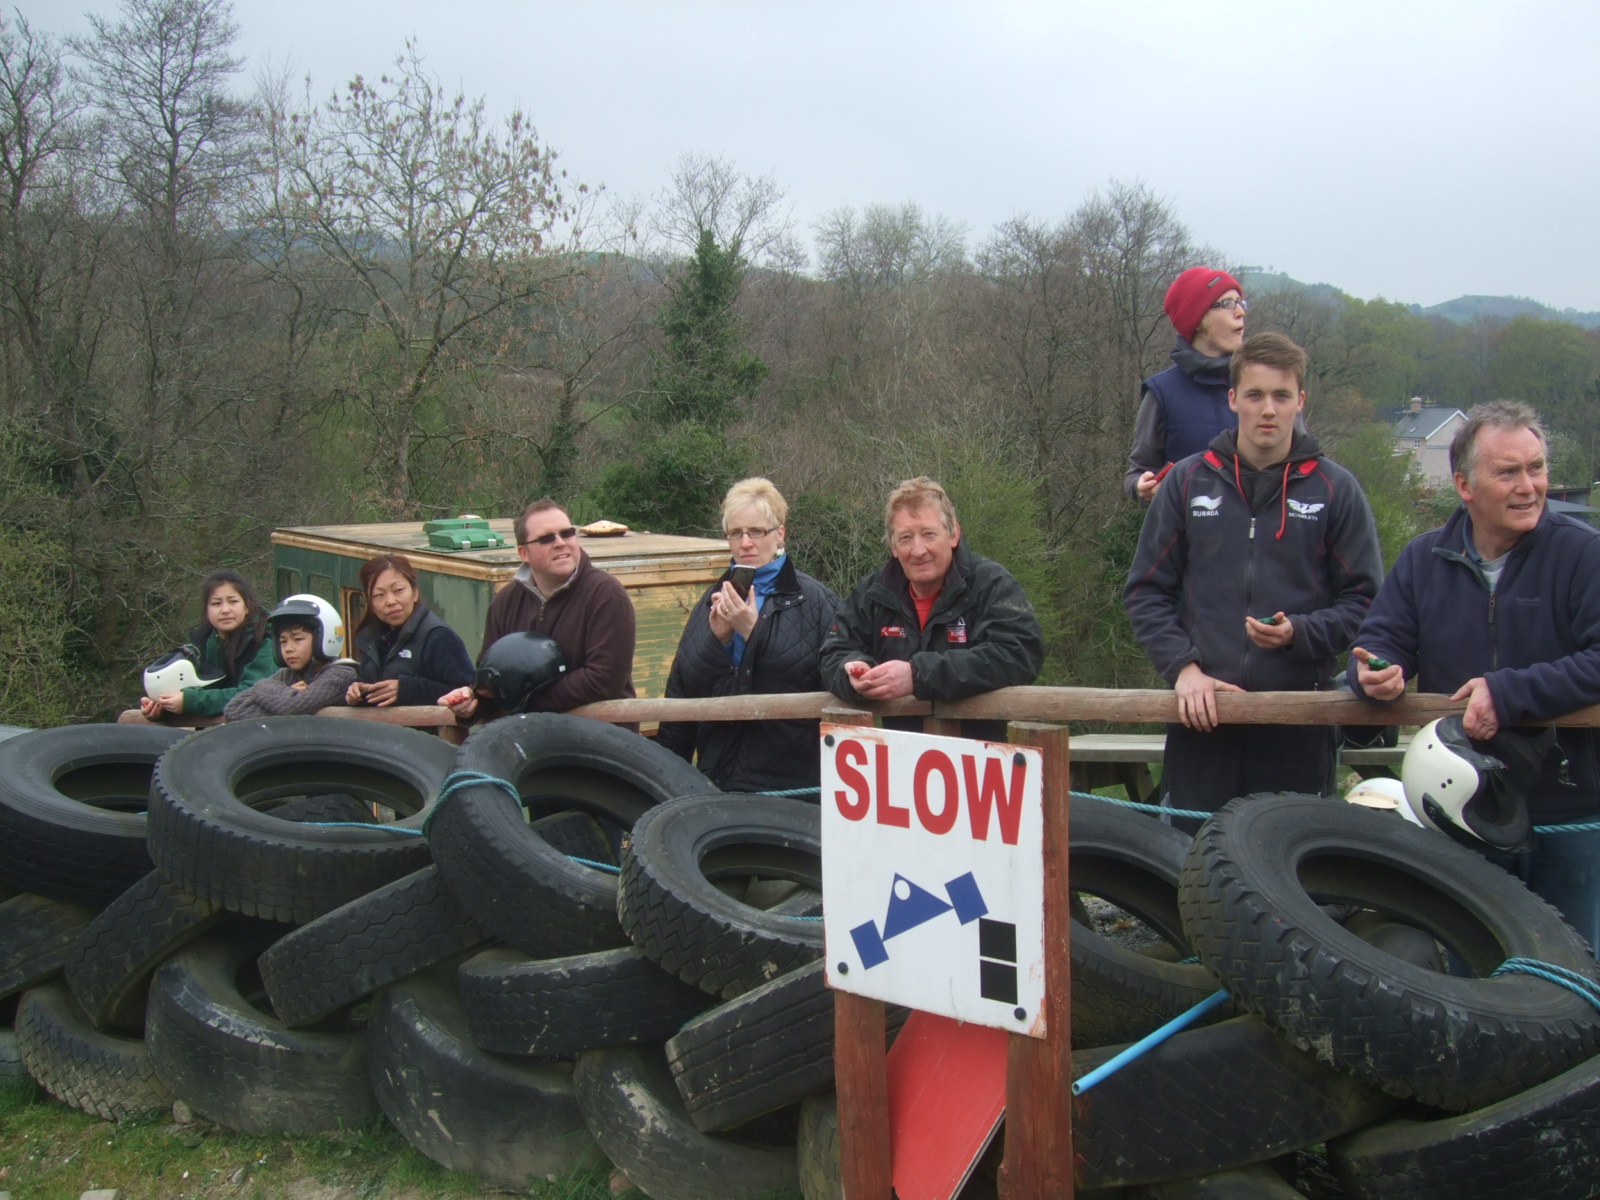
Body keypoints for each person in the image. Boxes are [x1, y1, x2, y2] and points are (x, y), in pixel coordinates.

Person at [1348, 400, 1600, 948]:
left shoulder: (1583, 556)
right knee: (1477, 972)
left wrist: (1507, 693)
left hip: (1571, 806)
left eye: (1536, 468)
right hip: (1463, 810)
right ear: (1464, 485)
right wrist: (1375, 671)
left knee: (1575, 979)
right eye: (1508, 472)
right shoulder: (1422, 559)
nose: (1529, 486)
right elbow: (1380, 640)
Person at [1124, 332, 1383, 826]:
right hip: (1202, 722)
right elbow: (1145, 591)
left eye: (1282, 396)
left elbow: (1367, 602)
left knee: (1288, 880)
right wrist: (1184, 669)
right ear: (1233, 399)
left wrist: (1300, 634)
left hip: (1298, 724)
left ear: (1300, 402)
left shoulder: (1337, 489)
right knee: (1192, 872)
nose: (1268, 410)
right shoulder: (1187, 481)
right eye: (1255, 395)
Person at [819, 476, 1045, 739]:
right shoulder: (873, 593)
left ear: (953, 534)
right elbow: (832, 652)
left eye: (928, 534)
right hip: (902, 761)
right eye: (905, 538)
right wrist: (856, 674)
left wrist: (917, 675)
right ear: (893, 547)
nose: (918, 550)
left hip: (983, 762)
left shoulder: (991, 585)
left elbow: (1018, 654)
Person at [658, 478, 840, 792]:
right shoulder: (710, 600)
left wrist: (752, 632)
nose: (745, 543)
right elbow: (683, 689)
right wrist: (720, 641)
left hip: (794, 789)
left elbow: (832, 688)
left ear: (780, 534)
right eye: (736, 533)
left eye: (757, 531)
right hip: (717, 783)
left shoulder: (819, 602)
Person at [442, 498, 636, 722]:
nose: (560, 542)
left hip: (599, 743)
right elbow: (493, 682)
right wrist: (471, 702)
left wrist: (523, 701)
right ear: (524, 553)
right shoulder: (505, 602)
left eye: (567, 533)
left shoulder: (606, 594)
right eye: (546, 538)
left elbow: (603, 681)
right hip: (529, 743)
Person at [1124, 266, 1248, 503]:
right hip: (1188, 536)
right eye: (1228, 304)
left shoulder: (1263, 384)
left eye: (1241, 302)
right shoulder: (1161, 392)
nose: (1241, 312)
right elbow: (1138, 472)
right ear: (1198, 319)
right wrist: (1142, 487)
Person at [139, 569, 277, 718]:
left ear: (247, 607)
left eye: (233, 601)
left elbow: (252, 693)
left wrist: (190, 701)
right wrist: (162, 705)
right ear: (206, 610)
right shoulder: (203, 643)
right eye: (216, 603)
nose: (225, 610)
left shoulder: (265, 641)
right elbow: (192, 691)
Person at [344, 555, 475, 708]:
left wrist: (407, 690)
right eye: (379, 595)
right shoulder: (370, 639)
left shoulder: (439, 637)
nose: (391, 601)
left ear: (414, 592)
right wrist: (356, 690)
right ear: (370, 603)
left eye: (398, 590)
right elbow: (372, 685)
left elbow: (466, 691)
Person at [223, 595, 358, 720]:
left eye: (298, 639)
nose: (288, 648)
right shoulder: (287, 675)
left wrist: (262, 686)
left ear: (323, 639)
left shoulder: (341, 675)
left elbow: (292, 707)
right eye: (283, 641)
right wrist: (285, 693)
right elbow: (234, 710)